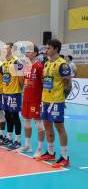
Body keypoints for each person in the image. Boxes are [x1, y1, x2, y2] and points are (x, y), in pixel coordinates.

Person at [36, 39, 72, 168]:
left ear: (56, 49)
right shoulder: (46, 63)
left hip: (56, 101)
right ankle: (50, 152)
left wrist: (63, 99)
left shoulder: (63, 65)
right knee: (47, 126)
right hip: (45, 100)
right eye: (46, 48)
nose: (46, 50)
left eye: (49, 48)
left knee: (59, 127)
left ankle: (64, 157)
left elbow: (68, 84)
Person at [18, 45, 45, 158]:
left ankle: (39, 149)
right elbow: (23, 82)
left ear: (35, 53)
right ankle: (27, 145)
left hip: (36, 100)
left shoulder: (39, 66)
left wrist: (43, 100)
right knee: (26, 122)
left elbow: (44, 83)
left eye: (29, 51)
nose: (26, 53)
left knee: (38, 124)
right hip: (26, 99)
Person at [1, 43, 24, 150]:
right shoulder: (4, 62)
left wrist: (18, 91)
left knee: (14, 116)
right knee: (7, 115)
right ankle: (9, 137)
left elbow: (21, 79)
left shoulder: (16, 61)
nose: (4, 50)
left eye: (6, 48)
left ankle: (18, 140)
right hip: (5, 93)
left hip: (14, 93)